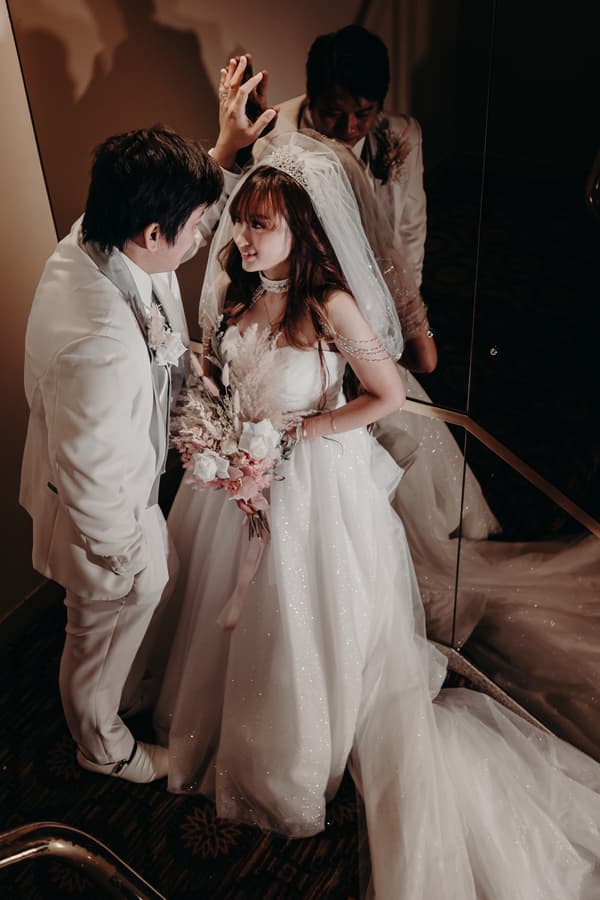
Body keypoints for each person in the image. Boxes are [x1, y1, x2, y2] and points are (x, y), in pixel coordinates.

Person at [155, 133, 600, 898]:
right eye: (242, 221)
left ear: (304, 231)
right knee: (211, 603)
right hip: (237, 488)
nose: (244, 237)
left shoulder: (331, 304)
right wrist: (226, 434)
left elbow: (387, 394)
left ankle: (295, 741)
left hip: (313, 492)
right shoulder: (237, 287)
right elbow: (226, 368)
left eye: (263, 224)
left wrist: (306, 432)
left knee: (302, 616)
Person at [19, 61, 276, 784]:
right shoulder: (97, 349)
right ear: (155, 231)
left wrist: (220, 151)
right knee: (94, 638)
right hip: (105, 524)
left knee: (120, 623)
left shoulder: (104, 232)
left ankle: (122, 692)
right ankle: (103, 748)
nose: (203, 237)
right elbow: (94, 485)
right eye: (194, 227)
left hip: (126, 485)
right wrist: (136, 564)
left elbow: (167, 219)